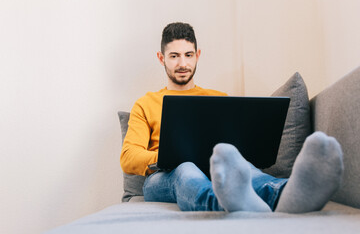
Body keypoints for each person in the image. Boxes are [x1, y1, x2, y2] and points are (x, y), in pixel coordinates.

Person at [120, 22, 344, 213]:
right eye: (174, 56)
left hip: (216, 169)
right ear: (161, 58)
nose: (183, 64)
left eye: (188, 55)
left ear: (197, 55)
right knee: (186, 168)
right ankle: (222, 203)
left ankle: (290, 193)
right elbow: (129, 156)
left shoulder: (218, 99)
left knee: (242, 168)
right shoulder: (146, 103)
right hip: (164, 177)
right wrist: (170, 156)